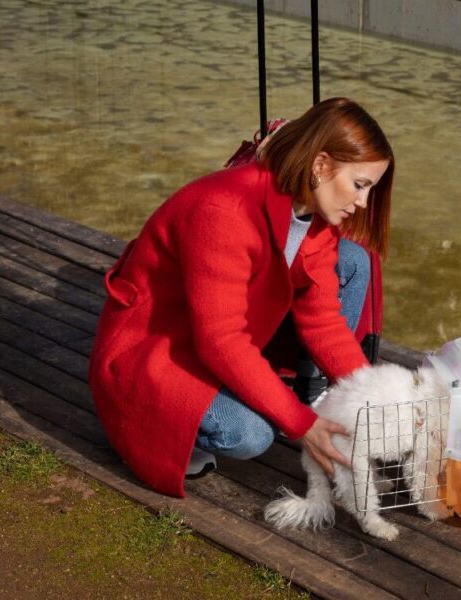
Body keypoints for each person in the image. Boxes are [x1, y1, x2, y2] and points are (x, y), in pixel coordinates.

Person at [88, 98, 393, 498]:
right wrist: (300, 423)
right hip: (156, 352)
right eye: (359, 185)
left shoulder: (314, 217)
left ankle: (281, 393)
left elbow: (322, 322)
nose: (363, 203)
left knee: (352, 262)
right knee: (248, 433)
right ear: (320, 165)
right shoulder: (225, 210)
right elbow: (221, 341)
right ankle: (141, 422)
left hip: (211, 342)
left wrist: (376, 399)